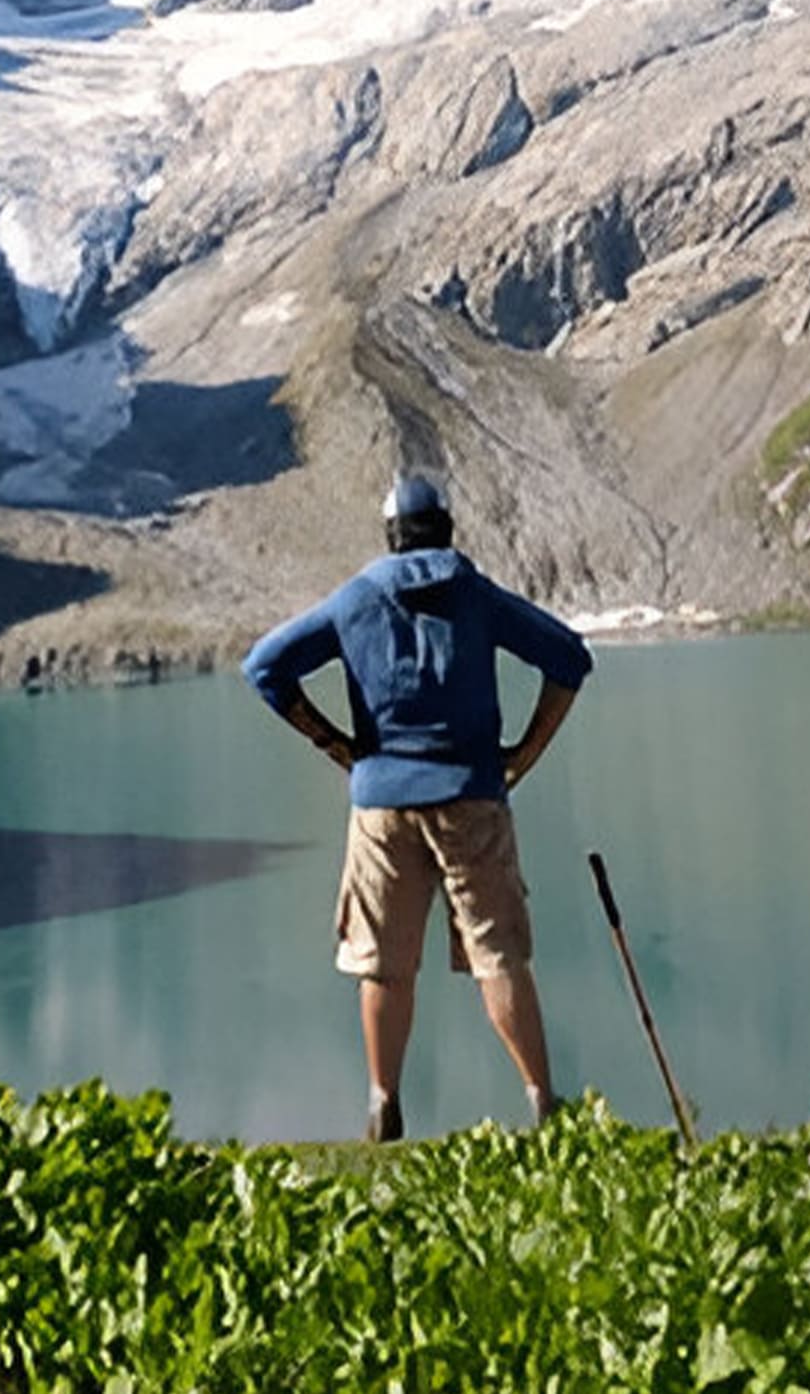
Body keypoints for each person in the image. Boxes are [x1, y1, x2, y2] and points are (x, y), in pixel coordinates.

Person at [243, 472, 593, 1143]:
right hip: (472, 796)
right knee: (499, 956)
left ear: (391, 535)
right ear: (446, 530)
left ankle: (383, 1104)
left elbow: (265, 667)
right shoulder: (475, 595)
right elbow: (569, 659)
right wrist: (525, 750)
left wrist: (336, 745)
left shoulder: (356, 599)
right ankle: (543, 1103)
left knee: (383, 962)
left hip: (380, 804)